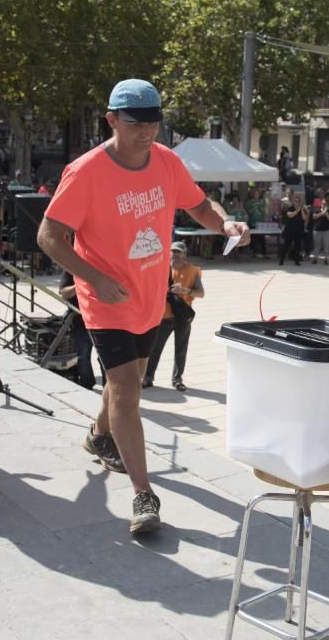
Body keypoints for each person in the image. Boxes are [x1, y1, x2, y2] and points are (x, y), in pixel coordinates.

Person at [36, 79, 249, 534]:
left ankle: (98, 437)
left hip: (150, 299)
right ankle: (144, 495)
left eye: (154, 122)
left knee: (126, 381)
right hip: (105, 299)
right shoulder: (86, 171)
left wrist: (225, 223)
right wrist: (94, 278)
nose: (147, 132)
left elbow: (198, 205)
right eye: (136, 124)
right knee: (129, 390)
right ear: (112, 119)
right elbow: (48, 237)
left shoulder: (167, 162)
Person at [143, 242, 202, 391]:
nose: (175, 255)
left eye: (179, 252)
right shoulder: (161, 269)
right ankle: (148, 377)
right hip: (163, 316)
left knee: (181, 349)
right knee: (155, 348)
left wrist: (185, 290)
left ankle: (177, 379)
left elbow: (200, 293)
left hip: (182, 316)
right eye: (173, 252)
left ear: (185, 254)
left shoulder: (193, 270)